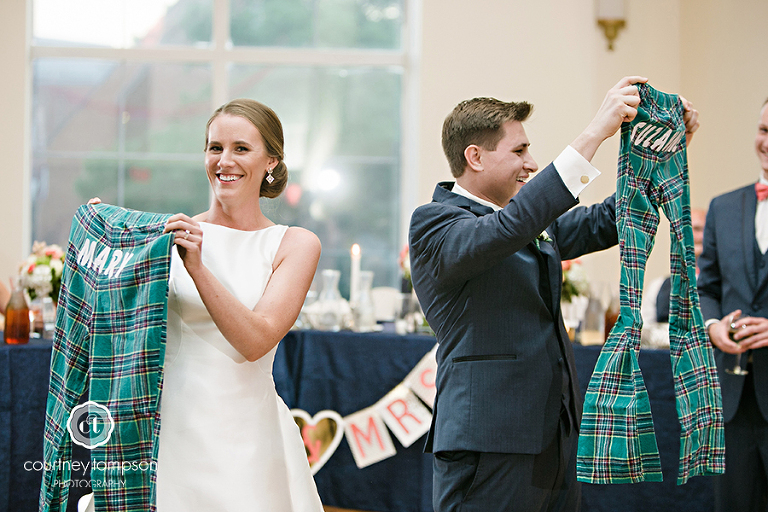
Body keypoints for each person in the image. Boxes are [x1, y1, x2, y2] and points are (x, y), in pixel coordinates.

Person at [408, 77, 700, 512]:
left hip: (555, 435)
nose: (531, 162)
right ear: (475, 157)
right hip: (491, 440)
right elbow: (507, 229)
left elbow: (608, 219)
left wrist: (661, 153)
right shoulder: (436, 222)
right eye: (519, 151)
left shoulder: (524, 220)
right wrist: (594, 132)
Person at [151, 99, 323, 510]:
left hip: (244, 433)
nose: (224, 161)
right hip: (169, 425)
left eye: (241, 149)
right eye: (215, 148)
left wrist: (198, 269)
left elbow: (255, 341)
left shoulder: (294, 244)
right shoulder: (169, 236)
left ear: (271, 162)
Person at [698, 97, 768, 512]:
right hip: (734, 401)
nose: (767, 142)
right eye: (763, 131)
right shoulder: (724, 207)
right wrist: (713, 326)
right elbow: (707, 287)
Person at [641, 207, 707, 348]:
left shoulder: (724, 284)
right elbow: (644, 330)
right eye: (694, 229)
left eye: (704, 229)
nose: (700, 236)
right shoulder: (658, 285)